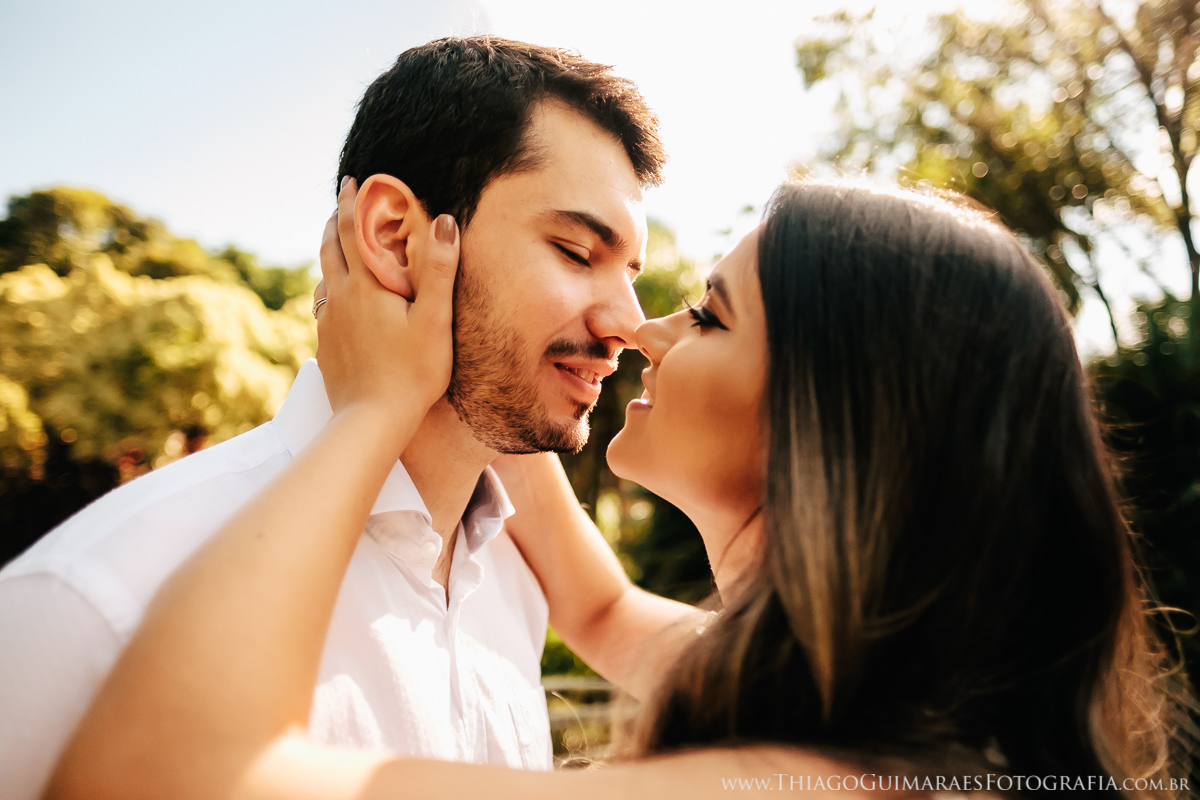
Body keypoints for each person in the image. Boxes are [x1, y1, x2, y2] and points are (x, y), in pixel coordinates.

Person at [45, 177, 1196, 800]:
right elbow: (600, 610)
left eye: (708, 311)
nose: (637, 326)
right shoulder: (888, 705)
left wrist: (368, 412)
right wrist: (487, 355)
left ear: (828, 418)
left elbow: (153, 777)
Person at [0, 35, 692, 800]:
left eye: (627, 270)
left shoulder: (522, 570)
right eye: (573, 249)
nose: (629, 323)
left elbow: (614, 613)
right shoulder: (84, 605)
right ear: (395, 236)